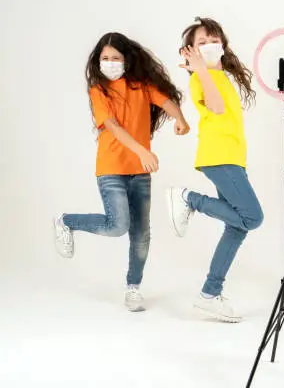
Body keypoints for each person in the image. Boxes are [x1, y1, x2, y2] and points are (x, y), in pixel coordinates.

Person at [53, 32, 190, 312]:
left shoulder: (141, 85)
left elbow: (165, 101)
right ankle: (66, 221)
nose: (111, 62)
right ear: (97, 61)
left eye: (116, 58)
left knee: (141, 233)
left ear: (127, 60)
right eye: (105, 58)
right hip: (112, 168)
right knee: (118, 226)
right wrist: (142, 151)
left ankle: (133, 288)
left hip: (139, 173)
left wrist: (180, 118)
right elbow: (113, 126)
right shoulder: (98, 91)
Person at [166, 17, 263, 323]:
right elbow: (217, 109)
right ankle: (188, 199)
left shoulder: (220, 77)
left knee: (238, 226)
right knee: (253, 217)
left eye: (213, 40)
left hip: (232, 158)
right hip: (218, 156)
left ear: (223, 45)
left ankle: (209, 294)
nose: (209, 45)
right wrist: (200, 70)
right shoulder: (200, 78)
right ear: (190, 51)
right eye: (201, 42)